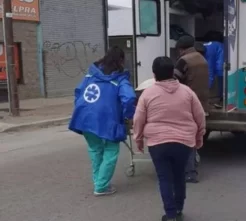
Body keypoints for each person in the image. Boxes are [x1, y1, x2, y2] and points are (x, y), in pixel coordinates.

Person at [133, 56, 206, 221]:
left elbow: (138, 119)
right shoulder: (187, 92)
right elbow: (200, 115)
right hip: (183, 142)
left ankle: (171, 214)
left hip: (158, 143)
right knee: (179, 175)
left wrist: (138, 139)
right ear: (172, 72)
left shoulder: (148, 94)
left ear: (154, 74)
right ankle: (179, 209)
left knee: (164, 178)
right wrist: (199, 135)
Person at [68, 46, 136, 196]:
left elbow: (78, 92)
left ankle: (99, 181)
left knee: (95, 149)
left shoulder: (90, 75)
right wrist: (129, 115)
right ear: (121, 61)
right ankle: (101, 186)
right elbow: (129, 98)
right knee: (111, 150)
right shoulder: (119, 79)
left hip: (85, 117)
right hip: (108, 119)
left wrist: (83, 109)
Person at [174, 36, 209, 183]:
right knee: (192, 137)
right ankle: (192, 165)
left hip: (187, 104)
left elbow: (174, 82)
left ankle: (189, 172)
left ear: (181, 49)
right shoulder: (202, 59)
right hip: (201, 103)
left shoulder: (184, 61)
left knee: (184, 139)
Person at [204, 35, 224, 107]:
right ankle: (221, 100)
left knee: (220, 81)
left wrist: (208, 86)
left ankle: (220, 100)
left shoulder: (206, 49)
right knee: (222, 83)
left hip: (220, 65)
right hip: (222, 64)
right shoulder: (214, 46)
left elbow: (210, 70)